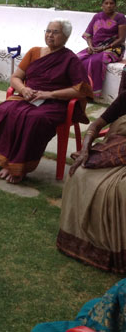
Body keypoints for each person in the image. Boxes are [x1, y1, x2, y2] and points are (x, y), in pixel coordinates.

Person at [0, 19, 93, 184]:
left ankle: (20, 167)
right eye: (48, 31)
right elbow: (16, 77)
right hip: (28, 98)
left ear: (66, 36)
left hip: (55, 103)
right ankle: (7, 161)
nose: (50, 35)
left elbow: (80, 89)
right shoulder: (34, 52)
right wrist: (24, 89)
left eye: (55, 32)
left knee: (34, 119)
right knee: (3, 111)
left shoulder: (70, 59)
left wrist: (49, 94)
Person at [57, 90, 126, 274]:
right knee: (78, 173)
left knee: (121, 188)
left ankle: (117, 251)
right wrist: (86, 146)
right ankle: (77, 240)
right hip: (116, 150)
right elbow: (97, 124)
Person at [76, 0, 126, 97]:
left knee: (94, 61)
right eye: (106, 3)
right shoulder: (97, 17)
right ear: (102, 5)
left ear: (115, 5)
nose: (109, 6)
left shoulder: (120, 18)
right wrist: (90, 46)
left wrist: (103, 48)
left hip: (114, 49)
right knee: (76, 59)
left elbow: (121, 39)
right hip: (95, 47)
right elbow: (88, 35)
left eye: (111, 3)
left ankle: (91, 92)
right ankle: (77, 89)